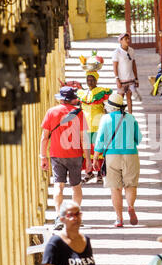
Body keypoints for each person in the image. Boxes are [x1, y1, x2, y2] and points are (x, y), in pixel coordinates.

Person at [40, 86, 92, 229]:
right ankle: (74, 217)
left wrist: (42, 157)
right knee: (76, 186)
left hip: (56, 154)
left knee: (59, 185)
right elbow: (84, 138)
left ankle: (59, 217)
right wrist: (88, 159)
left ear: (61, 99)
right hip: (75, 155)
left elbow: (44, 137)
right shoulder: (78, 114)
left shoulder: (51, 112)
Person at [93, 93, 142, 227]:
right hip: (130, 154)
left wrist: (96, 158)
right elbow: (139, 139)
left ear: (110, 107)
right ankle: (130, 206)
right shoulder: (131, 118)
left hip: (112, 156)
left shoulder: (105, 119)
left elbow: (100, 140)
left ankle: (119, 219)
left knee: (115, 189)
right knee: (130, 185)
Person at [77, 71, 112, 184]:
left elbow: (108, 107)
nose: (90, 82)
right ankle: (89, 172)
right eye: (88, 80)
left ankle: (99, 173)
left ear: (96, 81)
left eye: (92, 80)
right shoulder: (82, 94)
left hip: (99, 126)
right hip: (85, 126)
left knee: (98, 149)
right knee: (86, 150)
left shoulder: (101, 92)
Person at [112, 33, 139, 114]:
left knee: (129, 98)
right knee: (120, 99)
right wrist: (117, 79)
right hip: (121, 79)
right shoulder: (117, 52)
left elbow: (133, 65)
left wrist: (136, 78)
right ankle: (119, 115)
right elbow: (115, 67)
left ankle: (130, 115)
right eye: (125, 39)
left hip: (130, 78)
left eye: (128, 39)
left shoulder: (131, 50)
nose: (128, 40)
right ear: (120, 41)